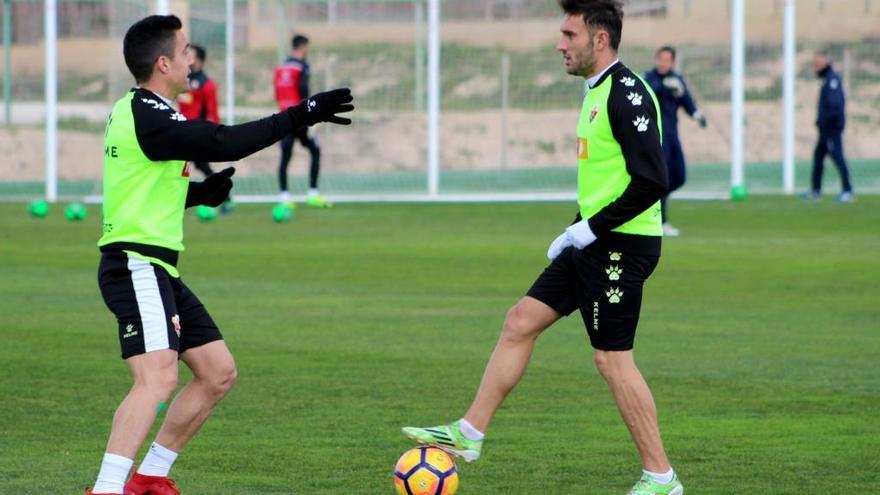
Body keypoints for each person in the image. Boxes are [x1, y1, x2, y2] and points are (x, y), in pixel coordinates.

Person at [402, 1, 682, 494]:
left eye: (568, 34)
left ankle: (661, 477)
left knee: (612, 360)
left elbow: (651, 180)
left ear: (599, 39)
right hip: (594, 240)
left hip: (622, 246)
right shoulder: (594, 92)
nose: (560, 44)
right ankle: (469, 433)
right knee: (520, 321)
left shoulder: (628, 94)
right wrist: (577, 230)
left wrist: (589, 230)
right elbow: (605, 181)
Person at [87, 14, 352, 495]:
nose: (193, 59)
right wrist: (303, 112)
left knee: (217, 372)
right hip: (135, 265)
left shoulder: (147, 112)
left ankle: (148, 477)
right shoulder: (147, 112)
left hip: (158, 267)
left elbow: (139, 191)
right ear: (164, 61)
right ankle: (107, 489)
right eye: (186, 50)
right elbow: (225, 141)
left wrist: (199, 195)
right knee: (157, 379)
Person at [643, 45, 706, 237]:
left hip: (672, 136)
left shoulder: (676, 80)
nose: (662, 63)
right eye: (659, 59)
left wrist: (696, 114)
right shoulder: (648, 78)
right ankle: (660, 221)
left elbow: (686, 100)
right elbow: (649, 90)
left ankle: (650, 200)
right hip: (654, 138)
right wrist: (664, 86)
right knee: (661, 179)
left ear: (672, 62)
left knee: (679, 176)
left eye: (666, 60)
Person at [177, 44, 233, 213]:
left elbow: (213, 113)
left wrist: (213, 135)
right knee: (195, 166)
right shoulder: (183, 81)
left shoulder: (207, 85)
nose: (187, 57)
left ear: (199, 60)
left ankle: (225, 197)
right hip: (180, 132)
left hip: (196, 134)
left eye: (190, 55)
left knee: (197, 166)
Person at [274, 34, 328, 208]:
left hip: (284, 116)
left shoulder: (281, 67)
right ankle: (312, 193)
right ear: (303, 46)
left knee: (285, 155)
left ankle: (284, 196)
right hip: (300, 116)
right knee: (315, 150)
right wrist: (310, 114)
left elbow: (277, 90)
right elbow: (304, 89)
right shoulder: (302, 66)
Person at [805, 50, 854, 202]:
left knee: (837, 156)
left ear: (825, 63)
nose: (816, 67)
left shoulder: (832, 80)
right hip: (825, 128)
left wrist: (827, 123)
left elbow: (835, 105)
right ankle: (816, 190)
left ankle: (847, 190)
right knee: (819, 156)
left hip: (831, 129)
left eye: (818, 64)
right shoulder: (827, 80)